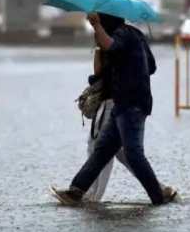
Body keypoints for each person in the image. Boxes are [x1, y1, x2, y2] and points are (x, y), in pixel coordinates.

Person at [51, 12, 176, 206]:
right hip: (123, 104)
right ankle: (76, 191)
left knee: (133, 154)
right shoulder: (134, 35)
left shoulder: (122, 35)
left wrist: (96, 26)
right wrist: (116, 58)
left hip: (131, 104)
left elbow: (113, 47)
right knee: (102, 150)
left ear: (106, 21)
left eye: (101, 21)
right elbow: (150, 66)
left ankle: (159, 196)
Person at [83, 47, 171, 202]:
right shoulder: (127, 44)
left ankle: (92, 195)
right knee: (122, 153)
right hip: (121, 103)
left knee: (99, 148)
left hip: (111, 102)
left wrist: (98, 51)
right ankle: (159, 188)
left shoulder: (113, 43)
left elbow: (99, 73)